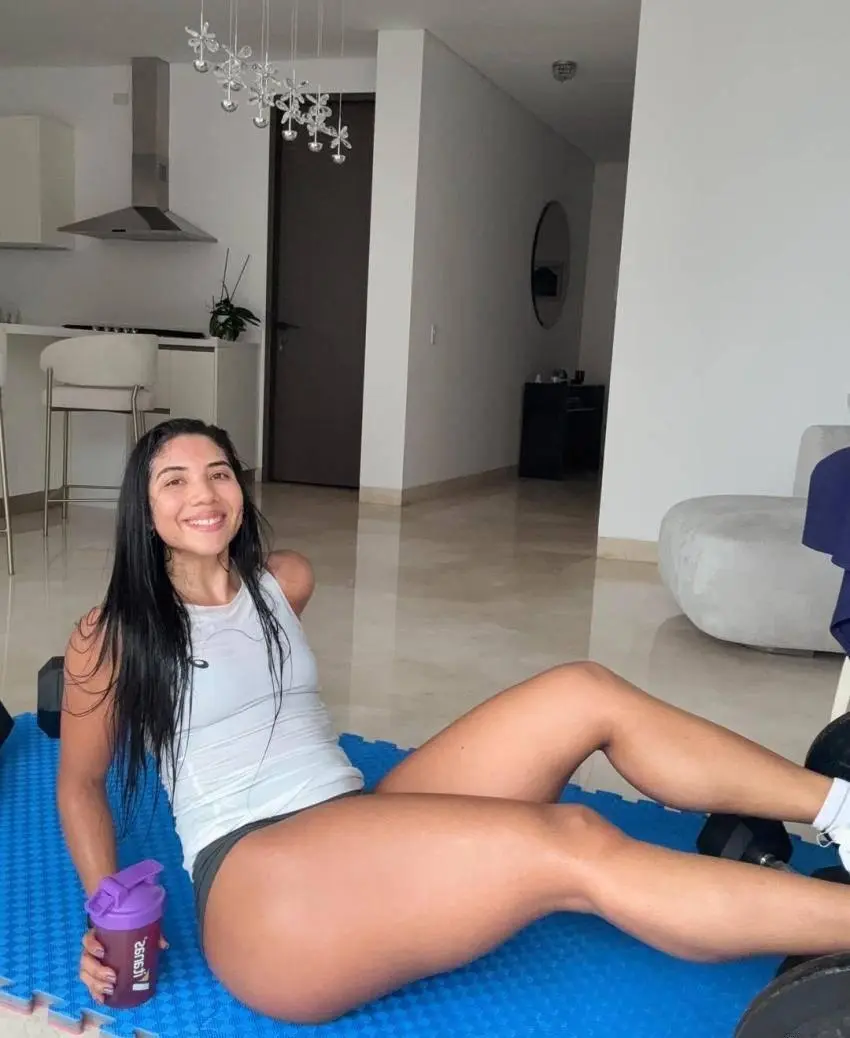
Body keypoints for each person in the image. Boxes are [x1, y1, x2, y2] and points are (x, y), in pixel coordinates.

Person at [58, 418, 850, 1025]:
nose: (202, 495)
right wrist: (107, 908)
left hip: (354, 823)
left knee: (583, 691)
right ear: (144, 510)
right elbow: (80, 783)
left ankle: (840, 808)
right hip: (262, 891)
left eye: (218, 473)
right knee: (572, 842)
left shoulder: (283, 582)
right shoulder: (114, 634)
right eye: (174, 481)